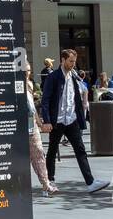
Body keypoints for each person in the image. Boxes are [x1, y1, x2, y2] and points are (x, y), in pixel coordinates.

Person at [40, 49, 109, 194]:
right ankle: (49, 182)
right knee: (52, 151)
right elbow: (45, 100)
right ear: (63, 60)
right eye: (70, 61)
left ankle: (90, 182)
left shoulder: (74, 76)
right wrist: (46, 120)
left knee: (80, 149)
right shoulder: (53, 77)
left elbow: (76, 97)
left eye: (74, 62)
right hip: (57, 121)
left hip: (71, 120)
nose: (73, 64)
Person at [23, 66, 57, 196]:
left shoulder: (30, 85)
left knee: (38, 152)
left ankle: (45, 184)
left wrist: (39, 123)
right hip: (19, 124)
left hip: (31, 123)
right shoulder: (15, 85)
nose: (27, 72)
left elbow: (32, 108)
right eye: (25, 70)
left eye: (29, 70)